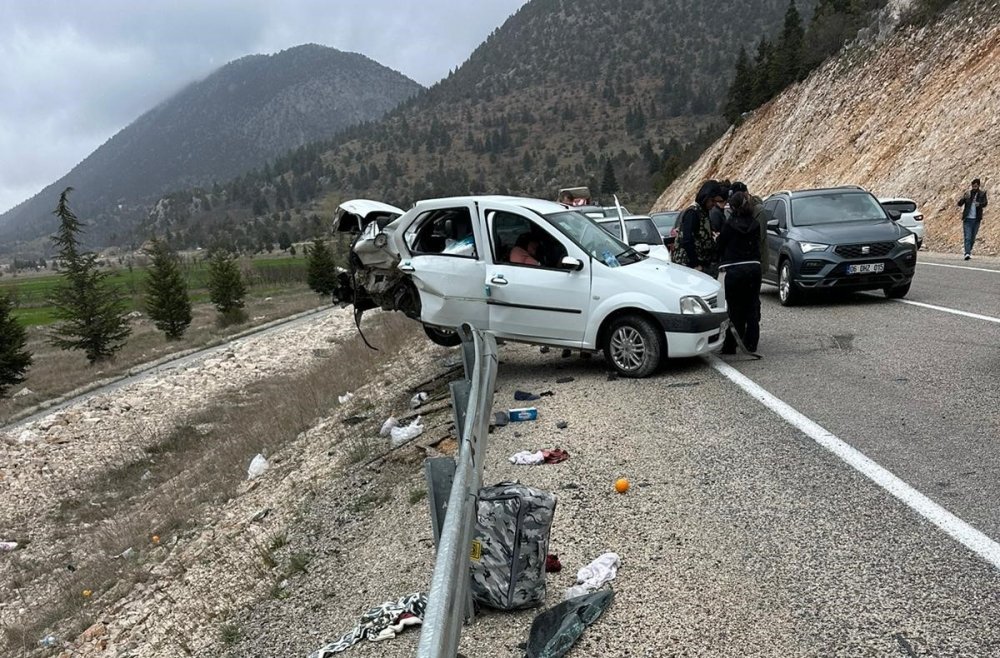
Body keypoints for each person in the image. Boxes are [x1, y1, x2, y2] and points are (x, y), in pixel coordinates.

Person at [716, 191, 763, 355]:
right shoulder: (755, 224)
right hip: (754, 268)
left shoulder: (729, 225)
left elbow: (721, 245)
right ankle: (751, 343)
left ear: (733, 207)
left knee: (734, 308)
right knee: (752, 305)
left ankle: (731, 345)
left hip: (735, 268)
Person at [674, 180, 724, 277]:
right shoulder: (692, 213)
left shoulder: (704, 213)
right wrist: (695, 264)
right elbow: (687, 240)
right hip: (689, 267)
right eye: (712, 201)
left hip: (702, 263)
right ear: (705, 197)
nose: (714, 204)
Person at [730, 181, 770, 276]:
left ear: (746, 193)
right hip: (742, 261)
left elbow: (760, 236)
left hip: (756, 259)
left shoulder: (758, 210)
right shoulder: (738, 210)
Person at [957, 178, 988, 260]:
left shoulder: (982, 194)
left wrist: (979, 204)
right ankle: (967, 253)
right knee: (967, 237)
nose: (974, 187)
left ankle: (969, 251)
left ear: (978, 186)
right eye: (973, 186)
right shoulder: (968, 194)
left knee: (973, 238)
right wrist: (964, 198)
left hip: (976, 219)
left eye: (976, 186)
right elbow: (959, 204)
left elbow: (985, 203)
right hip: (967, 219)